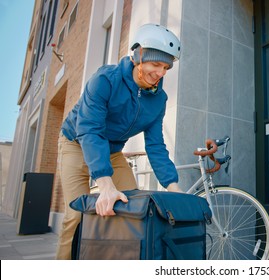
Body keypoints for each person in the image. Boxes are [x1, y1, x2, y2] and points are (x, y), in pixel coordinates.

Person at [56, 23, 182, 260]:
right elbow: (90, 130)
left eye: (166, 67)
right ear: (138, 56)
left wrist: (174, 187)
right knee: (75, 216)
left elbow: (155, 145)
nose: (161, 73)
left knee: (130, 209)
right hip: (76, 142)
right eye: (156, 64)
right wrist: (105, 185)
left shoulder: (159, 100)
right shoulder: (105, 79)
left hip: (113, 151)